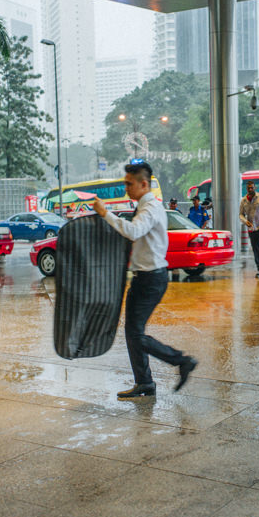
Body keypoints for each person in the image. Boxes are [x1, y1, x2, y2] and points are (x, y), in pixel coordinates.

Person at [93, 162, 197, 399]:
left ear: (144, 184)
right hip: (144, 277)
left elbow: (133, 232)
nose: (126, 188)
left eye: (129, 184)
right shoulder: (145, 207)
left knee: (136, 334)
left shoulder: (150, 208)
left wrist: (104, 213)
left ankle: (181, 360)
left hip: (151, 279)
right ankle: (144, 382)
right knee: (133, 332)